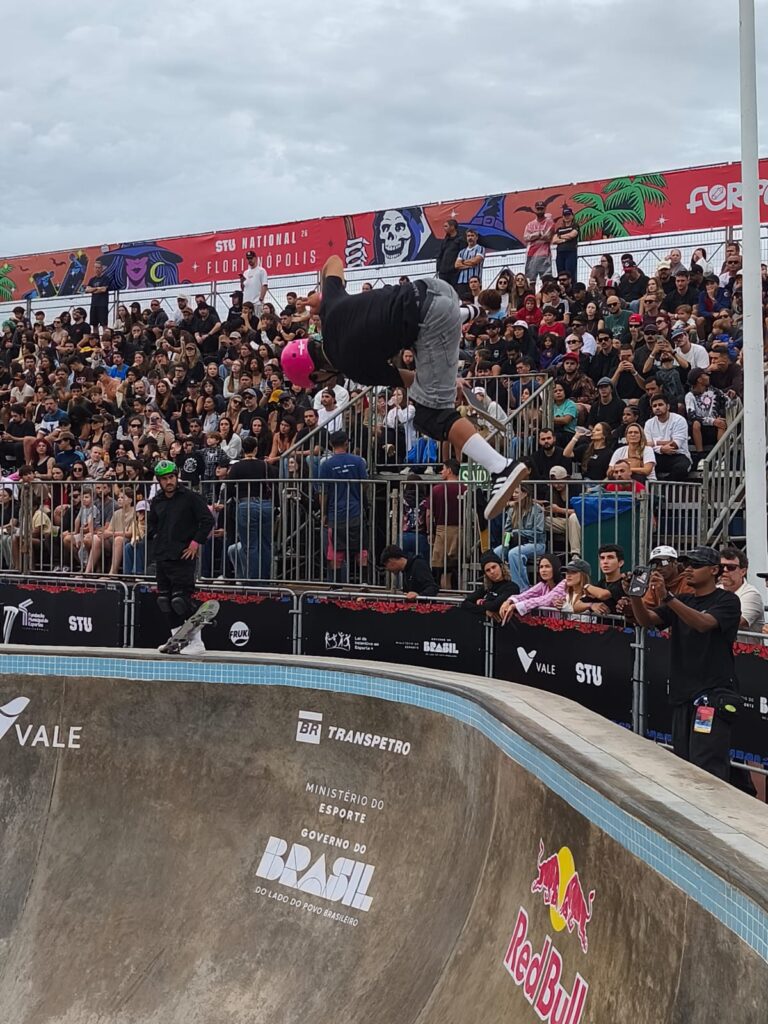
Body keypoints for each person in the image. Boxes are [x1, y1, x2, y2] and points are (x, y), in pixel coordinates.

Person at [281, 256, 528, 520]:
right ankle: (473, 311)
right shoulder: (330, 309)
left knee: (430, 416)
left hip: (432, 321)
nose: (326, 383)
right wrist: (320, 297)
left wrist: (443, 382)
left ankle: (501, 467)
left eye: (320, 381)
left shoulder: (351, 367)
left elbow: (409, 379)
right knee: (417, 335)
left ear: (317, 373)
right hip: (434, 289)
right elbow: (332, 261)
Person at [630, 546, 741, 782]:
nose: (688, 570)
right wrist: (635, 596)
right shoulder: (683, 599)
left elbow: (703, 623)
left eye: (695, 565)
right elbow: (647, 620)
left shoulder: (727, 600)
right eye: (686, 564)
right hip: (683, 695)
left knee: (707, 767)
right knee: (683, 763)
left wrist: (668, 598)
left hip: (712, 695)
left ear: (714, 570)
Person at [147, 460, 214, 654]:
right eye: (164, 479)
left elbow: (207, 520)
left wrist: (195, 543)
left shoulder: (190, 497)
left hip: (183, 556)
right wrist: (154, 536)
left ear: (176, 477)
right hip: (163, 556)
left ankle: (197, 642)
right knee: (165, 601)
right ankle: (176, 639)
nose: (169, 481)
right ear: (159, 481)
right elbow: (152, 524)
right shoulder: (157, 501)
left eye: (171, 477)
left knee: (180, 601)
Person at [318, 430, 369, 584]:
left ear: (330, 444)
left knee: (335, 549)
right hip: (355, 511)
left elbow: (323, 492)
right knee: (361, 547)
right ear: (347, 443)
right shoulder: (358, 461)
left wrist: (323, 513)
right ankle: (363, 582)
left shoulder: (326, 465)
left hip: (335, 514)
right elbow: (365, 485)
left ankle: (337, 585)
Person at [500, 552, 566, 621]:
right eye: (541, 567)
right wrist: (509, 601)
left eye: (547, 566)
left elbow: (545, 600)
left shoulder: (564, 584)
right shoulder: (543, 584)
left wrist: (516, 606)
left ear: (555, 568)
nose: (543, 570)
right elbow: (525, 595)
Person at [643, 395, 692, 480]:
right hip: (657, 455)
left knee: (681, 469)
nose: (657, 408)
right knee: (643, 464)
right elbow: (646, 445)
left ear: (668, 406)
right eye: (654, 406)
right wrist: (661, 449)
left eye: (660, 405)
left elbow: (675, 445)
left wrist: (654, 443)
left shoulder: (679, 420)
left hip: (678, 455)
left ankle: (664, 485)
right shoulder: (649, 423)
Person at [461, 550, 518, 620]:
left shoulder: (512, 587)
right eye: (488, 570)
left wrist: (481, 602)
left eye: (494, 567)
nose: (492, 572)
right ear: (485, 574)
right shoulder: (487, 586)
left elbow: (494, 606)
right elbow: (465, 603)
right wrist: (485, 611)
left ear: (501, 566)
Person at [718, 547, 765, 632]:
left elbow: (738, 622)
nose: (724, 570)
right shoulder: (716, 589)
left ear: (743, 572)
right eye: (721, 566)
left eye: (731, 567)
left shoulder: (751, 594)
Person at [523, 200, 555, 285]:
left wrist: (533, 236)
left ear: (545, 209)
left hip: (545, 254)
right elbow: (526, 237)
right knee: (531, 281)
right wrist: (538, 234)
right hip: (531, 254)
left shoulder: (550, 222)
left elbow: (548, 237)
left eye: (541, 209)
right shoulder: (530, 224)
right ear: (535, 209)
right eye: (538, 209)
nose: (540, 211)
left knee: (547, 281)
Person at [436, 219, 464, 290]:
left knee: (455, 291)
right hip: (443, 273)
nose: (444, 228)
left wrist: (456, 268)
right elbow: (440, 255)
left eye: (446, 226)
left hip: (454, 272)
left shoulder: (460, 239)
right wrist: (439, 268)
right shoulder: (445, 240)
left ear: (452, 227)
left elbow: (462, 255)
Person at [553, 205, 579, 281]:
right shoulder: (559, 229)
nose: (567, 217)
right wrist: (565, 239)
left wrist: (560, 237)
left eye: (568, 215)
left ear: (572, 216)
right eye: (565, 215)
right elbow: (554, 240)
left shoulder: (575, 226)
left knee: (570, 273)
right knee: (560, 274)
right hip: (560, 253)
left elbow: (572, 235)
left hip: (570, 252)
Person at [85, 259, 110, 334]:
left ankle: (106, 338)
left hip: (103, 305)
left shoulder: (106, 278)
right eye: (96, 267)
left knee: (104, 324)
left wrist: (93, 290)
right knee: (94, 325)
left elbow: (103, 289)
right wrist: (97, 288)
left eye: (99, 267)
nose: (97, 269)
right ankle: (96, 340)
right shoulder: (92, 279)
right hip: (94, 305)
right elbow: (87, 290)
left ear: (102, 268)